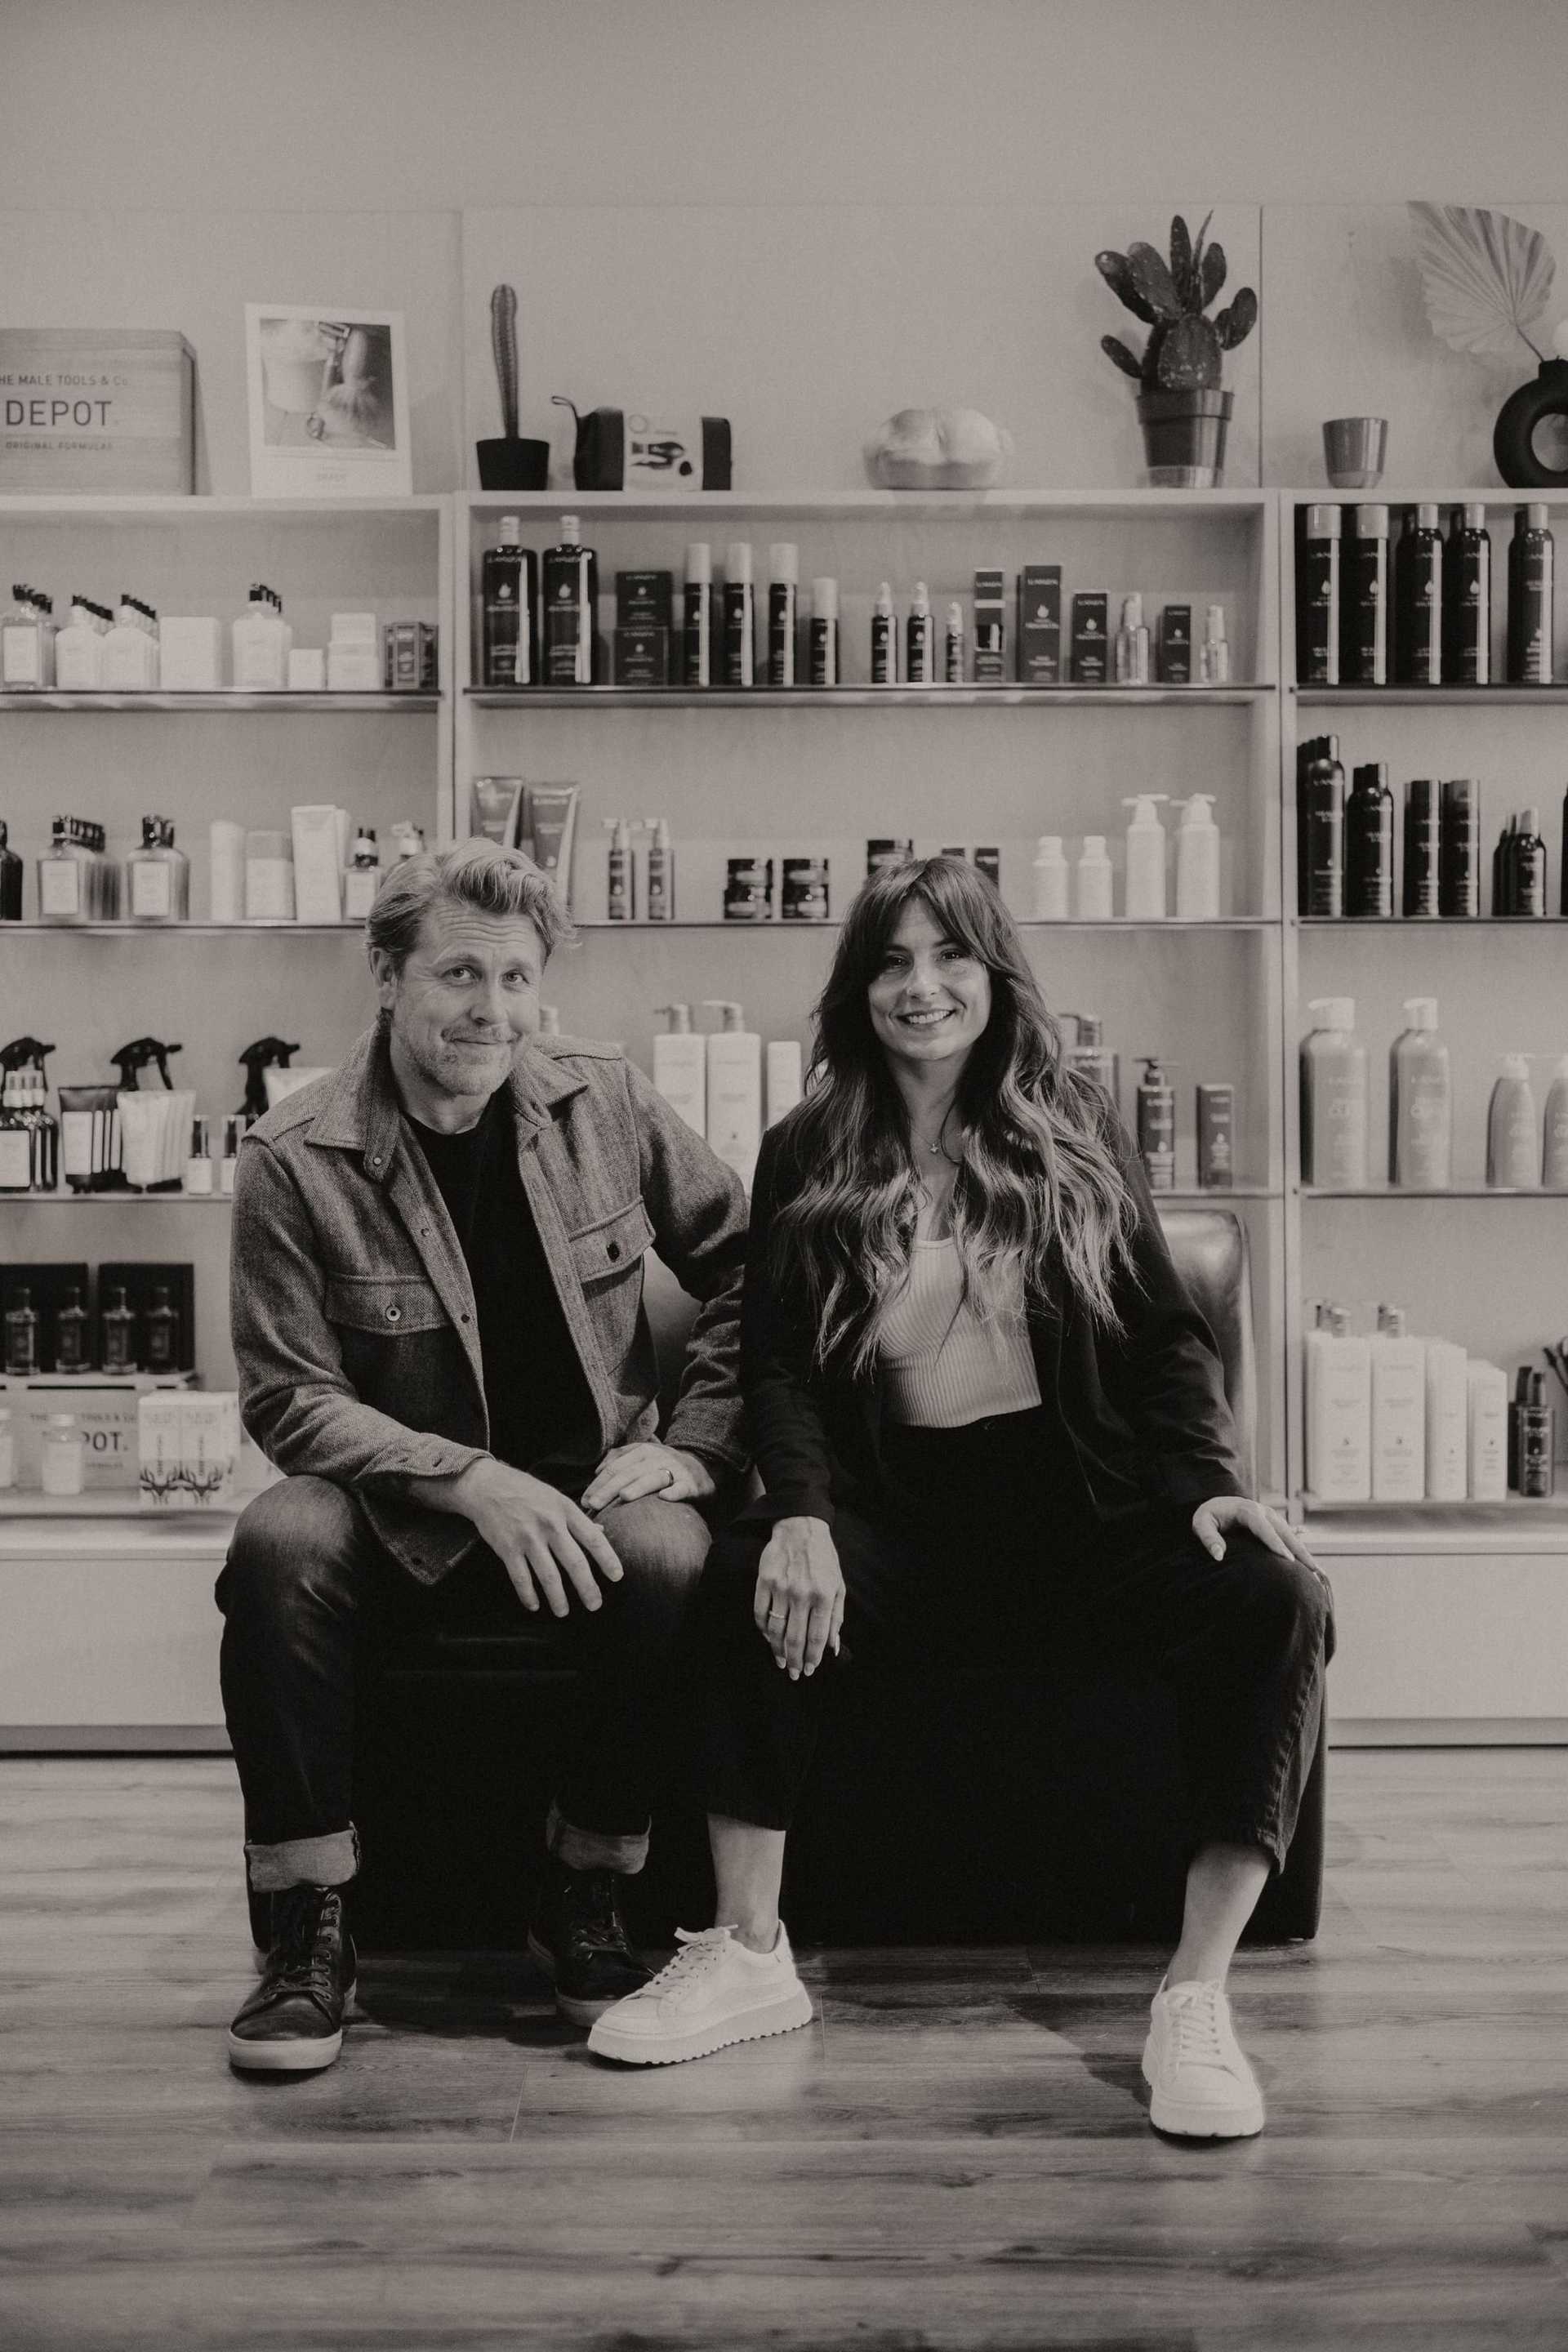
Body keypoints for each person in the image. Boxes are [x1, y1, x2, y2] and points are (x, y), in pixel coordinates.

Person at [588, 855, 1334, 2139]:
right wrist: (804, 1511)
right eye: (890, 961)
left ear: (997, 977)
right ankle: (750, 1953)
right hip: (894, 1503)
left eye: (949, 958)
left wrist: (1213, 1486)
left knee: (1276, 1593)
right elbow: (775, 1365)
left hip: (1076, 1501)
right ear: (857, 987)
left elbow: (1164, 1338)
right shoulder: (807, 1147)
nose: (920, 987)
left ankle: (1193, 1998)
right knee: (740, 1571)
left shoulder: (1076, 1128)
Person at [218, 840, 748, 2074]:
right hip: (394, 1499)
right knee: (277, 1541)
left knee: (670, 1552)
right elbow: (289, 1395)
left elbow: (747, 1267)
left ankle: (588, 1888)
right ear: (387, 975)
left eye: (516, 979)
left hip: (594, 1490)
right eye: (460, 974)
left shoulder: (605, 1102)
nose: (491, 1011)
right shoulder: (294, 1155)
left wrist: (699, 1452)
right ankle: (308, 1922)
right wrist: (466, 1476)